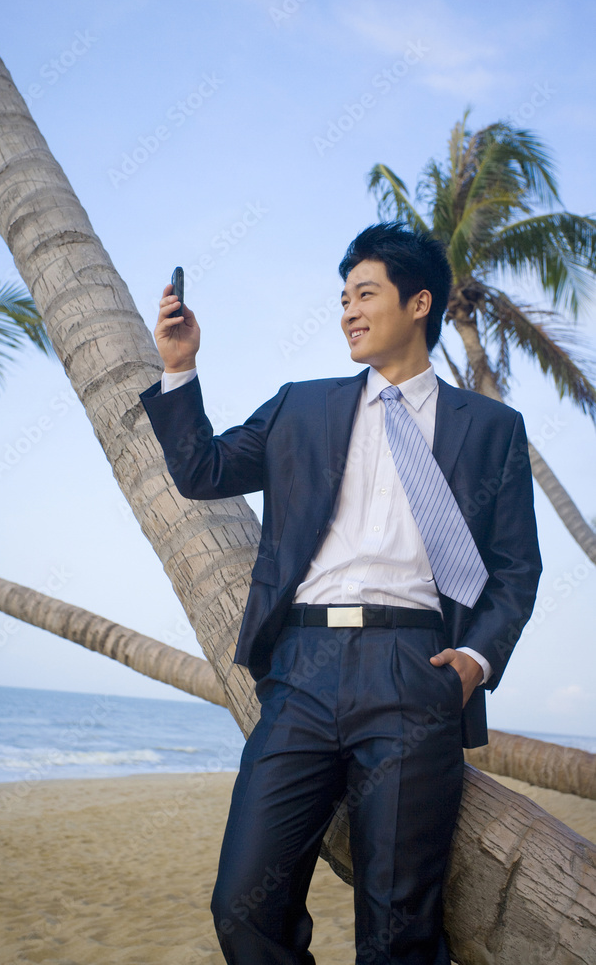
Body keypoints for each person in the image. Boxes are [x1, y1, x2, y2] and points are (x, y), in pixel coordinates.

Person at [140, 221, 542, 965]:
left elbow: (517, 568)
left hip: (413, 670)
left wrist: (473, 663)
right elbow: (203, 472)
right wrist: (179, 368)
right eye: (343, 297)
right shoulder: (303, 406)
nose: (348, 312)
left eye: (365, 294)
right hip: (302, 671)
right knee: (241, 904)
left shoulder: (489, 427)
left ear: (418, 302)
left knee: (398, 926)